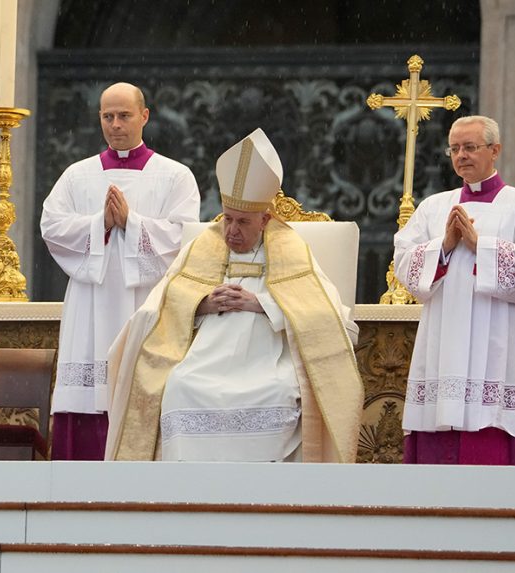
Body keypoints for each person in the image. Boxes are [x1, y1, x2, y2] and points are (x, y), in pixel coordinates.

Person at [105, 128, 363, 462]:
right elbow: (160, 303)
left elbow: (326, 314)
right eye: (228, 219)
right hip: (205, 358)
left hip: (266, 359)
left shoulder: (291, 249)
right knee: (180, 387)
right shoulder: (203, 246)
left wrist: (262, 304)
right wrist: (201, 303)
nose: (231, 230)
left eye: (242, 222)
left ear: (265, 219)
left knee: (277, 392)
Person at [40, 82, 201, 460]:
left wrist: (133, 222)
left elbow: (185, 237)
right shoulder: (77, 176)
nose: (115, 124)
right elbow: (51, 226)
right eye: (107, 116)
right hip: (90, 301)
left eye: (124, 115)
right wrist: (101, 225)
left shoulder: (174, 176)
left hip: (147, 303)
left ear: (144, 116)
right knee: (88, 392)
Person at [394, 115, 515, 465]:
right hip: (442, 342)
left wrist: (480, 245)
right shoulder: (434, 206)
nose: (461, 155)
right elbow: (404, 262)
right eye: (454, 148)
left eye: (470, 147)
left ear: (494, 150)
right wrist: (445, 246)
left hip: (497, 345)